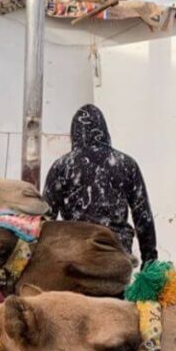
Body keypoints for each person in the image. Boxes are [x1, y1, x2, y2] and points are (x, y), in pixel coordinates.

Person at [43, 104, 157, 264]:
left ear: (74, 134)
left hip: (75, 255)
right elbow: (143, 216)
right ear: (105, 130)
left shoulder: (61, 166)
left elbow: (45, 219)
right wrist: (150, 261)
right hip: (117, 253)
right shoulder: (126, 164)